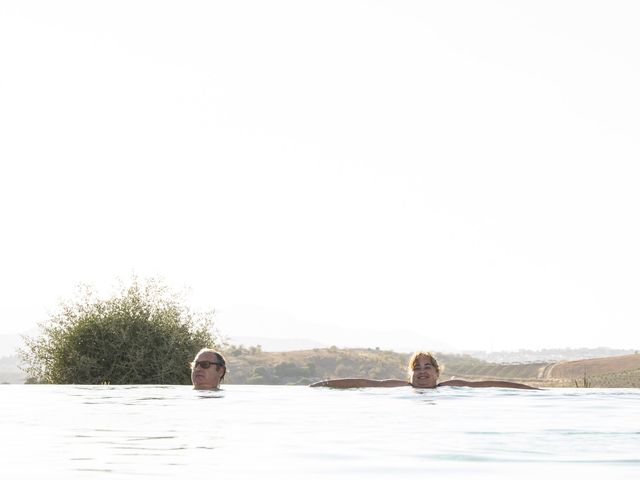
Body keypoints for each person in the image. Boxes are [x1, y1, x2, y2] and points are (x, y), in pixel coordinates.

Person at [310, 351, 538, 389]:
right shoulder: (400, 386)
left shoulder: (452, 386)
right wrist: (324, 385)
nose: (421, 371)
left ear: (437, 372)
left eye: (427, 366)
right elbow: (364, 383)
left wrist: (532, 388)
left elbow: (491, 385)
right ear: (409, 374)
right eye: (416, 368)